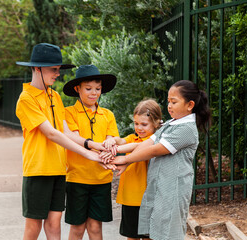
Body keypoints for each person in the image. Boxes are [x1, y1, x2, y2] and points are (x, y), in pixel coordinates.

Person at [15, 43, 106, 240]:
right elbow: (51, 134)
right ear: (37, 68)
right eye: (53, 69)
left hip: (58, 168)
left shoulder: (54, 95)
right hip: (38, 169)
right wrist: (86, 154)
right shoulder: (26, 98)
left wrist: (92, 145)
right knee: (33, 226)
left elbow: (64, 131)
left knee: (54, 223)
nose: (57, 73)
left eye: (58, 69)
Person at [107, 80, 211, 240]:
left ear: (190, 105)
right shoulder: (170, 124)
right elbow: (144, 144)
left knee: (168, 234)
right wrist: (116, 153)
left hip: (173, 191)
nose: (169, 106)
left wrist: (125, 159)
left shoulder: (186, 130)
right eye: (168, 101)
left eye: (174, 102)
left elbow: (155, 150)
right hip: (159, 189)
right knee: (155, 232)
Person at [62, 64, 119, 240]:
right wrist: (96, 145)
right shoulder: (69, 113)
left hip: (101, 179)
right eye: (88, 89)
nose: (94, 93)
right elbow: (73, 138)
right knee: (77, 228)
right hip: (77, 178)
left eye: (98, 89)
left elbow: (112, 139)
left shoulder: (107, 114)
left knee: (95, 228)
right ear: (77, 89)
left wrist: (111, 141)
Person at [102, 99, 162, 240]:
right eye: (136, 123)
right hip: (130, 198)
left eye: (144, 124)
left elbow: (142, 149)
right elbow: (121, 141)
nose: (139, 128)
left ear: (156, 123)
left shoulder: (157, 142)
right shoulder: (131, 138)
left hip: (148, 198)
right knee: (131, 236)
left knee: (149, 236)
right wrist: (112, 140)